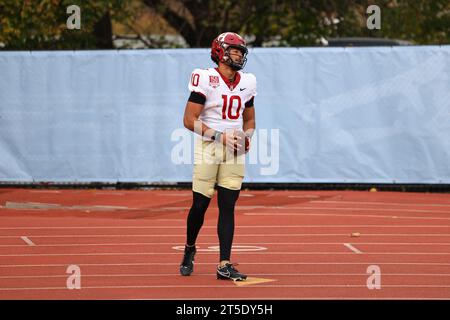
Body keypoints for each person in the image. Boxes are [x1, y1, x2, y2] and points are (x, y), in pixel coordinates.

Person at [179, 32, 257, 281]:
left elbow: (250, 119)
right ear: (220, 52)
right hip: (209, 146)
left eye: (241, 51)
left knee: (227, 206)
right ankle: (190, 247)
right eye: (234, 50)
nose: (239, 55)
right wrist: (219, 137)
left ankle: (224, 263)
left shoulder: (248, 82)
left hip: (233, 148)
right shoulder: (205, 78)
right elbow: (189, 120)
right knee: (200, 205)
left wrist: (248, 136)